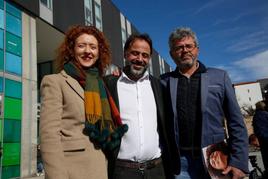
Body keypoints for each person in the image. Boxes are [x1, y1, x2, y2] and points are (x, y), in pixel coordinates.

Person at [40, 25, 126, 179]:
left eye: (93, 47)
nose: (88, 51)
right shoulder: (55, 81)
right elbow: (49, 136)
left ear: (99, 53)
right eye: (81, 46)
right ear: (71, 50)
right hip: (72, 171)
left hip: (100, 168)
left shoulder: (100, 84)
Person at [161, 27, 248, 179]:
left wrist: (239, 162)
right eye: (179, 47)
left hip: (215, 158)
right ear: (171, 54)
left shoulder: (220, 77)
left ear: (197, 50)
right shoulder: (163, 82)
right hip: (180, 164)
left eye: (189, 46)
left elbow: (236, 122)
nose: (185, 50)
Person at [104, 34, 172, 179]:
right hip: (122, 171)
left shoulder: (158, 86)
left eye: (145, 55)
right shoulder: (109, 84)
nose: (140, 59)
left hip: (157, 170)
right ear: (125, 54)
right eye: (135, 53)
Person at [252, 100, 268, 178]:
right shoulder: (265, 114)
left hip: (262, 141)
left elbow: (256, 130)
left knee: (265, 158)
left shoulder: (255, 116)